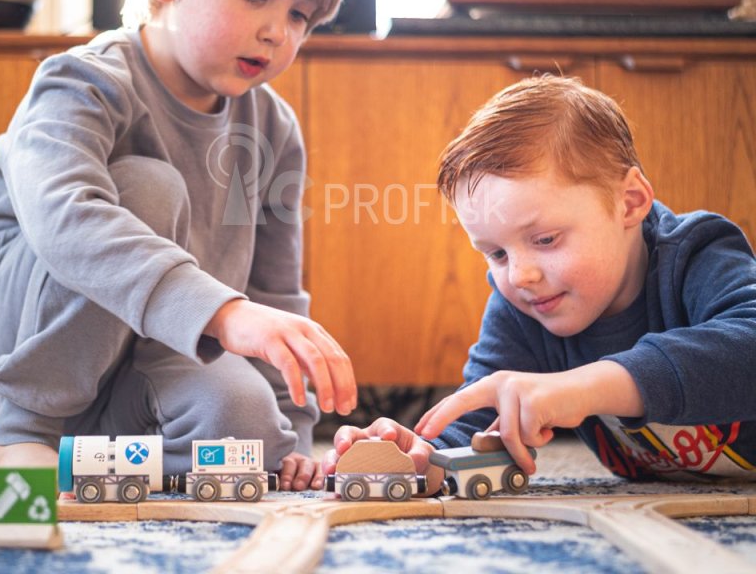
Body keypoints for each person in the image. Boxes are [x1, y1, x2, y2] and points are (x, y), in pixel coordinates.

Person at [0, 0, 358, 494]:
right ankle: (26, 438)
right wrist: (225, 314)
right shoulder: (83, 79)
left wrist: (290, 432)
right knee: (147, 188)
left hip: (152, 355)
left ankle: (75, 464)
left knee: (248, 429)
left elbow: (275, 293)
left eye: (300, 16)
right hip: (17, 342)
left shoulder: (275, 130)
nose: (276, 31)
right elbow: (65, 219)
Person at [324, 75, 756, 487]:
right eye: (496, 253)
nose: (520, 274)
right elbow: (477, 426)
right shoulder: (525, 305)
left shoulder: (696, 253)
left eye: (545, 239)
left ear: (629, 203)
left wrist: (583, 388)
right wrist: (418, 453)